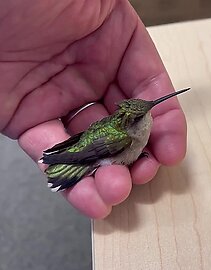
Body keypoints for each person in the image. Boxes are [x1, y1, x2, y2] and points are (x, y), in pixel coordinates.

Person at [0, 0, 187, 219]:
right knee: (98, 171)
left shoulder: (128, 130)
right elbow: (94, 148)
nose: (148, 111)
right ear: (132, 125)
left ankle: (60, 158)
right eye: (141, 115)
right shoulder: (125, 139)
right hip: (94, 152)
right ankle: (62, 163)